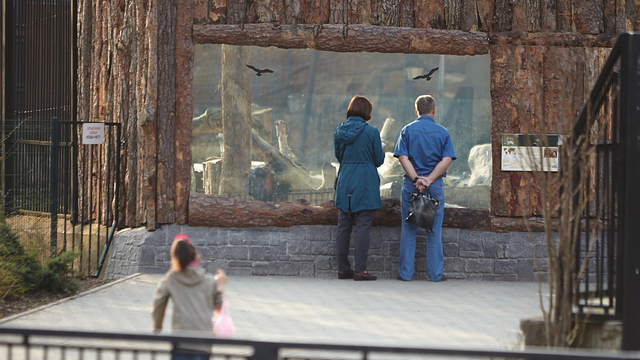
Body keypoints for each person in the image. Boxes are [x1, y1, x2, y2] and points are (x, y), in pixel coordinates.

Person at [393, 95, 456, 282]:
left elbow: (403, 158)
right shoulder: (443, 133)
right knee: (433, 232)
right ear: (434, 110)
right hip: (433, 187)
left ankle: (405, 275)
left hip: (411, 186)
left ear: (416, 111)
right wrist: (429, 180)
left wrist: (416, 179)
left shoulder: (407, 131)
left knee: (409, 230)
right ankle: (436, 275)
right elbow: (446, 160)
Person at [333, 95, 386, 281]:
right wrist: (381, 148)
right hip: (365, 181)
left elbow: (339, 156)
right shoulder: (372, 132)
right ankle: (360, 270)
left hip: (345, 177)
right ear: (366, 112)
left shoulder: (339, 130)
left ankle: (343, 269)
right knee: (363, 225)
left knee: (344, 224)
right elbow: (378, 160)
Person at [152, 234, 227, 360]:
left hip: (181, 341)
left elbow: (158, 304)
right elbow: (220, 306)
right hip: (204, 341)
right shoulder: (209, 281)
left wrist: (157, 328)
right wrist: (221, 285)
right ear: (195, 257)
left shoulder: (171, 279)